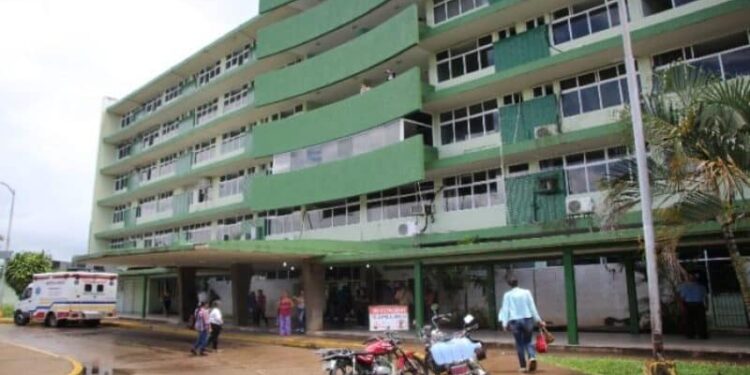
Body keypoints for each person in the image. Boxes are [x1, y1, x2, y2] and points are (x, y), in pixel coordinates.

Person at [498, 278, 545, 373]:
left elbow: (505, 309)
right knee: (528, 341)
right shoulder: (526, 292)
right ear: (517, 283)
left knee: (519, 343)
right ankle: (532, 357)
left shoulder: (507, 295)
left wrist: (504, 323)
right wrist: (539, 320)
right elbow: (532, 307)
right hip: (527, 319)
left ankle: (523, 366)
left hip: (514, 321)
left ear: (509, 284)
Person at [677, 273, 708, 339]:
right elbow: (705, 297)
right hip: (696, 304)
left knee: (690, 321)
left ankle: (691, 334)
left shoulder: (685, 286)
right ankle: (701, 334)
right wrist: (706, 305)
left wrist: (681, 306)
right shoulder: (700, 286)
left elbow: (681, 297)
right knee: (699, 321)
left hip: (690, 304)